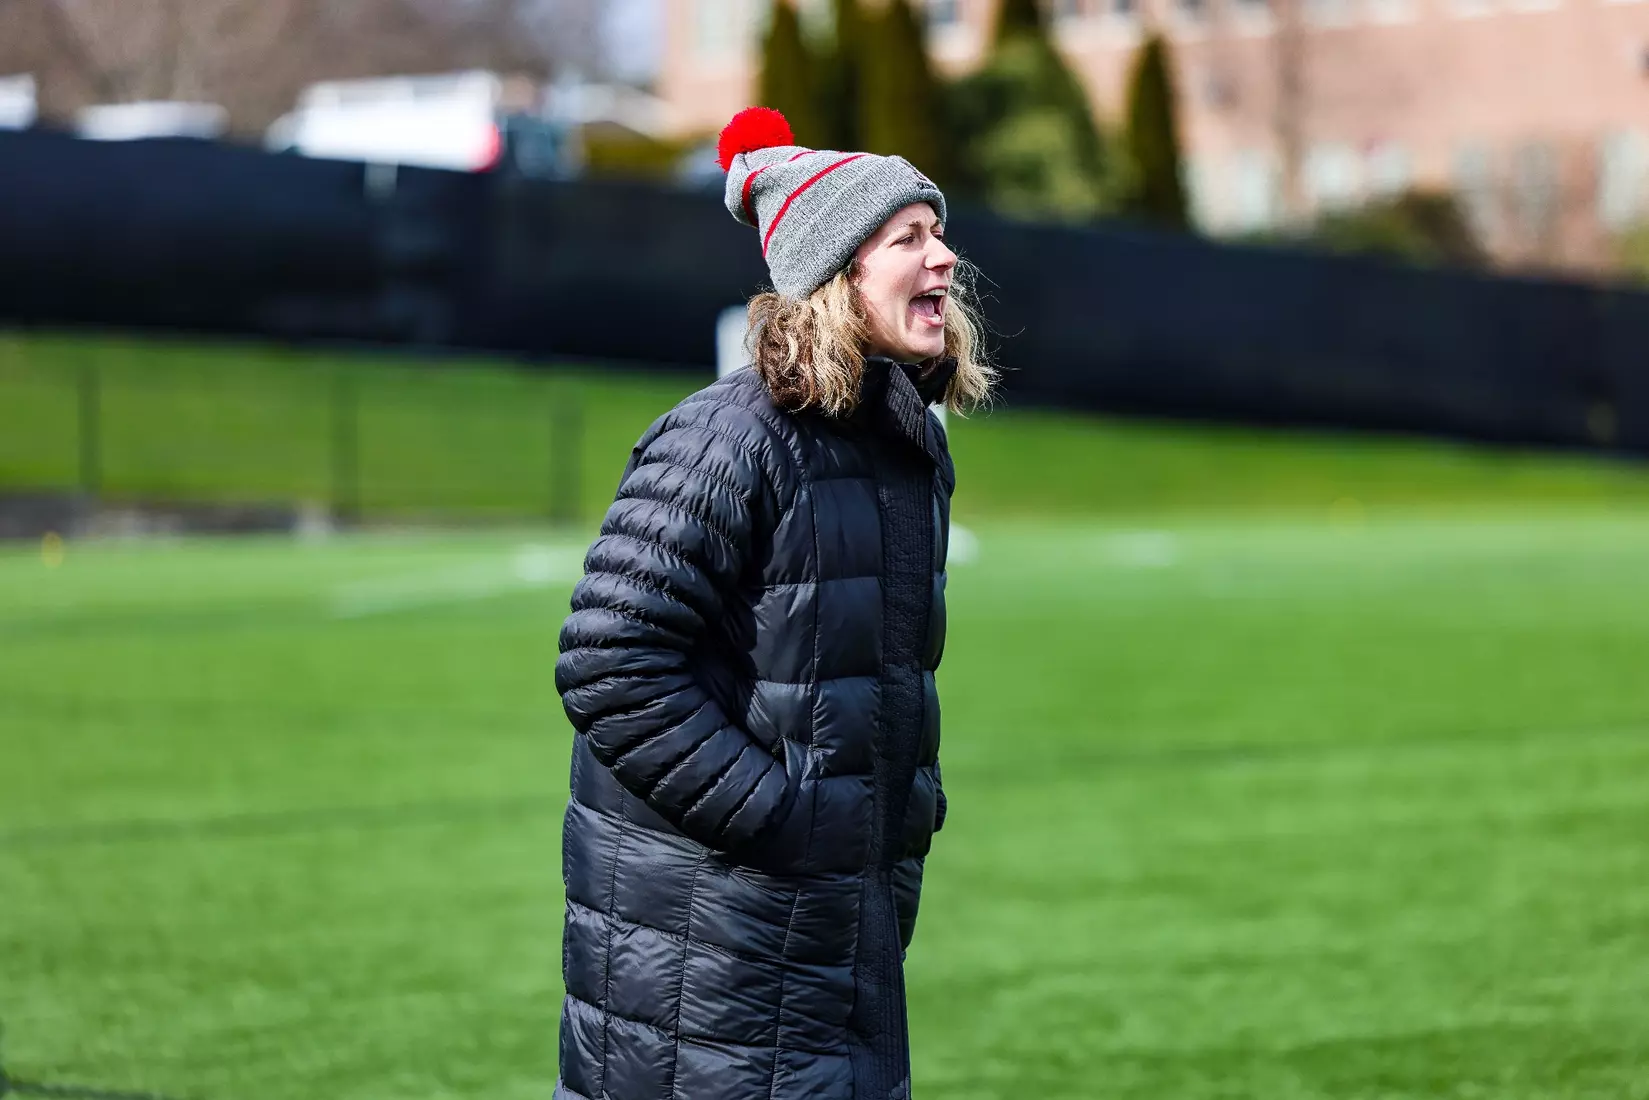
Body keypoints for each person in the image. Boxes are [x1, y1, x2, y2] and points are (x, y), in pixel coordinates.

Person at [553, 107, 995, 1100]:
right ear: (834, 270)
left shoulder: (899, 446)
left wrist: (896, 820)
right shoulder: (729, 438)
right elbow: (607, 662)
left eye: (938, 230)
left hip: (835, 930)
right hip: (713, 948)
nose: (943, 256)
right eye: (908, 238)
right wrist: (782, 817)